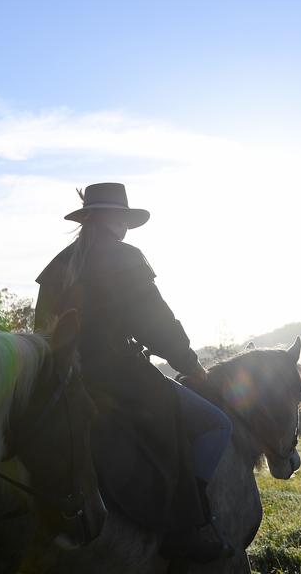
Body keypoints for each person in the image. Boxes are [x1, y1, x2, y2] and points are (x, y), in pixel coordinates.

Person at [34, 182, 233, 562]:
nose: (125, 225)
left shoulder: (57, 266)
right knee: (214, 425)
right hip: (122, 378)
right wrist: (191, 365)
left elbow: (43, 332)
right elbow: (157, 324)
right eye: (123, 217)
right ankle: (186, 526)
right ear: (114, 219)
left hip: (65, 381)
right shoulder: (125, 258)